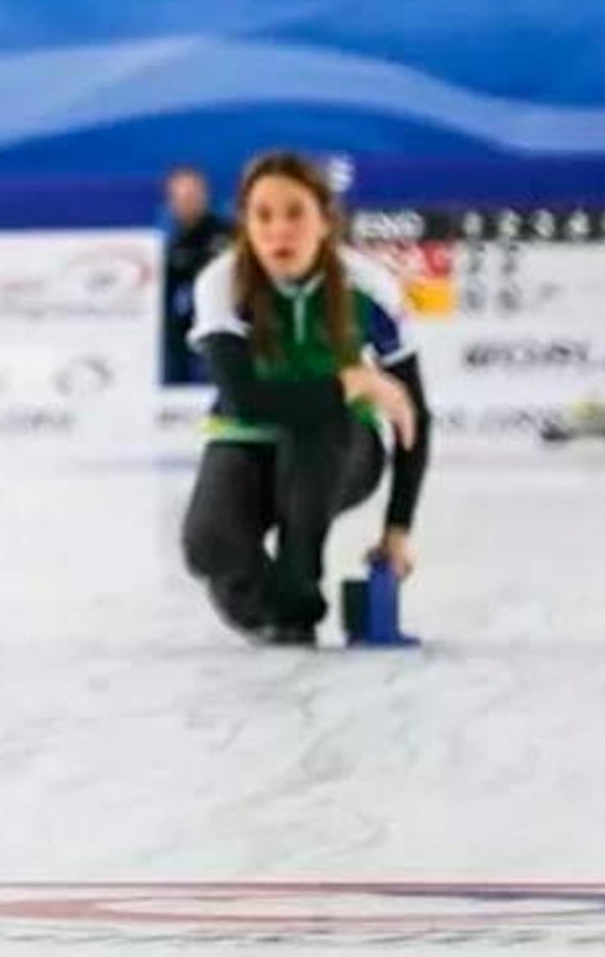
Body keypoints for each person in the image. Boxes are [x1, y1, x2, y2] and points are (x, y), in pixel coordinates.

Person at [181, 152, 430, 646]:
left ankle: (300, 574)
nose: (279, 231)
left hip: (340, 449)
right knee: (208, 545)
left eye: (295, 213)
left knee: (317, 430)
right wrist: (351, 382)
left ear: (324, 220)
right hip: (248, 438)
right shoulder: (222, 282)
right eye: (263, 215)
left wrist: (397, 529)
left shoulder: (369, 285)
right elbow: (246, 400)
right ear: (246, 223)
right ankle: (293, 604)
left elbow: (413, 415)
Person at [161, 167, 232, 385]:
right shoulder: (170, 241)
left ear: (205, 196)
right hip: (186, 323)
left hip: (226, 321)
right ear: (170, 202)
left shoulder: (226, 234)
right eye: (180, 198)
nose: (186, 203)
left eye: (191, 196)